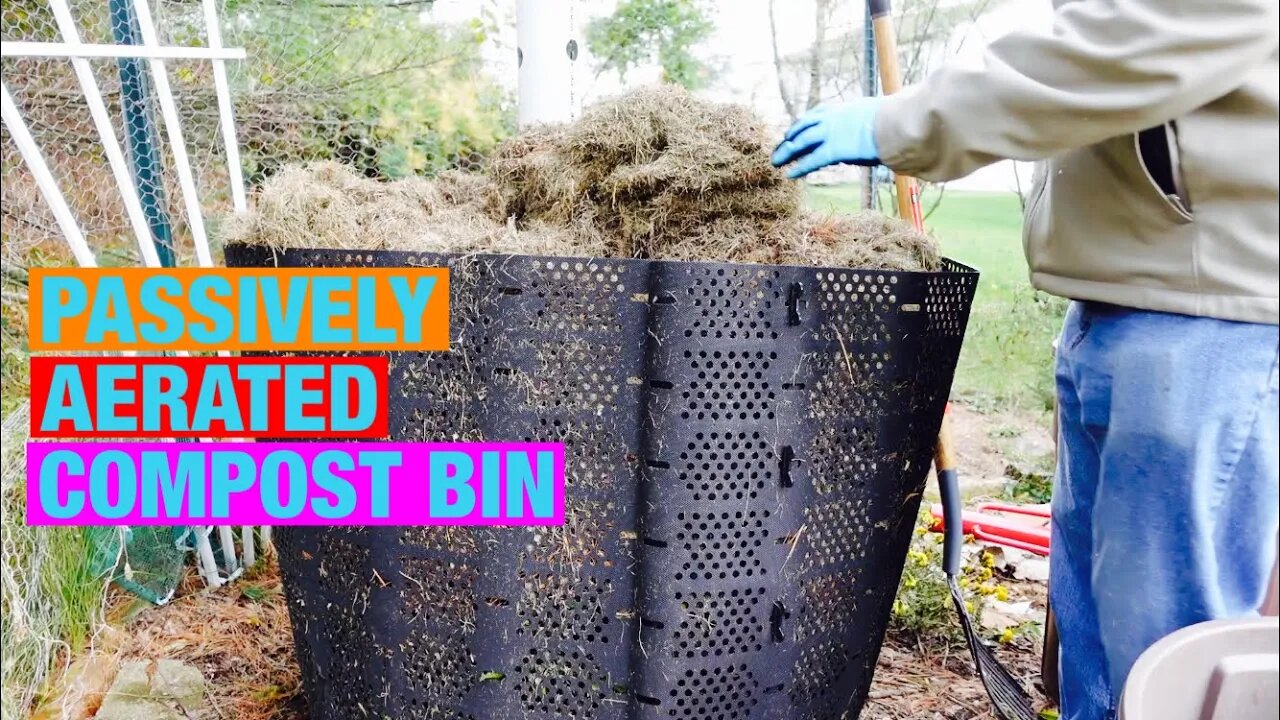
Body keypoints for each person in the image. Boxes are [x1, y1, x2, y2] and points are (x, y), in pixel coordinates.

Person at [771, 1, 1279, 718]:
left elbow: (1108, 52)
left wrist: (901, 124)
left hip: (1209, 312)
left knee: (1166, 631)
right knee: (1095, 623)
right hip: (1122, 296)